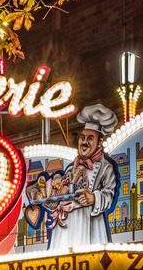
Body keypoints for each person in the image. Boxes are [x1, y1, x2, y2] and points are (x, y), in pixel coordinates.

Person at [46, 103, 120, 251]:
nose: (84, 142)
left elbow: (110, 194)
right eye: (82, 138)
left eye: (90, 138)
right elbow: (63, 196)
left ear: (99, 143)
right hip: (66, 230)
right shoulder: (70, 168)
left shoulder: (106, 167)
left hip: (91, 228)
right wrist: (53, 202)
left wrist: (94, 197)